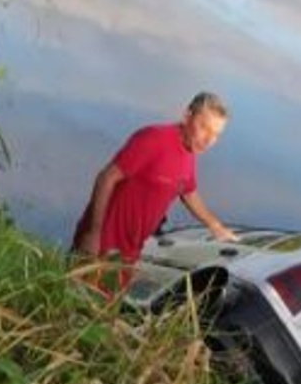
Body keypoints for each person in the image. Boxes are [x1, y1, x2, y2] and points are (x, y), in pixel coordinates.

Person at [70, 93, 240, 285]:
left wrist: (215, 225)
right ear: (187, 116)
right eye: (204, 127)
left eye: (216, 134)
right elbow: (106, 178)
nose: (209, 140)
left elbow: (188, 192)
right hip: (102, 244)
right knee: (75, 301)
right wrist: (93, 234)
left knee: (103, 311)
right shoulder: (153, 138)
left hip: (129, 254)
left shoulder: (190, 153)